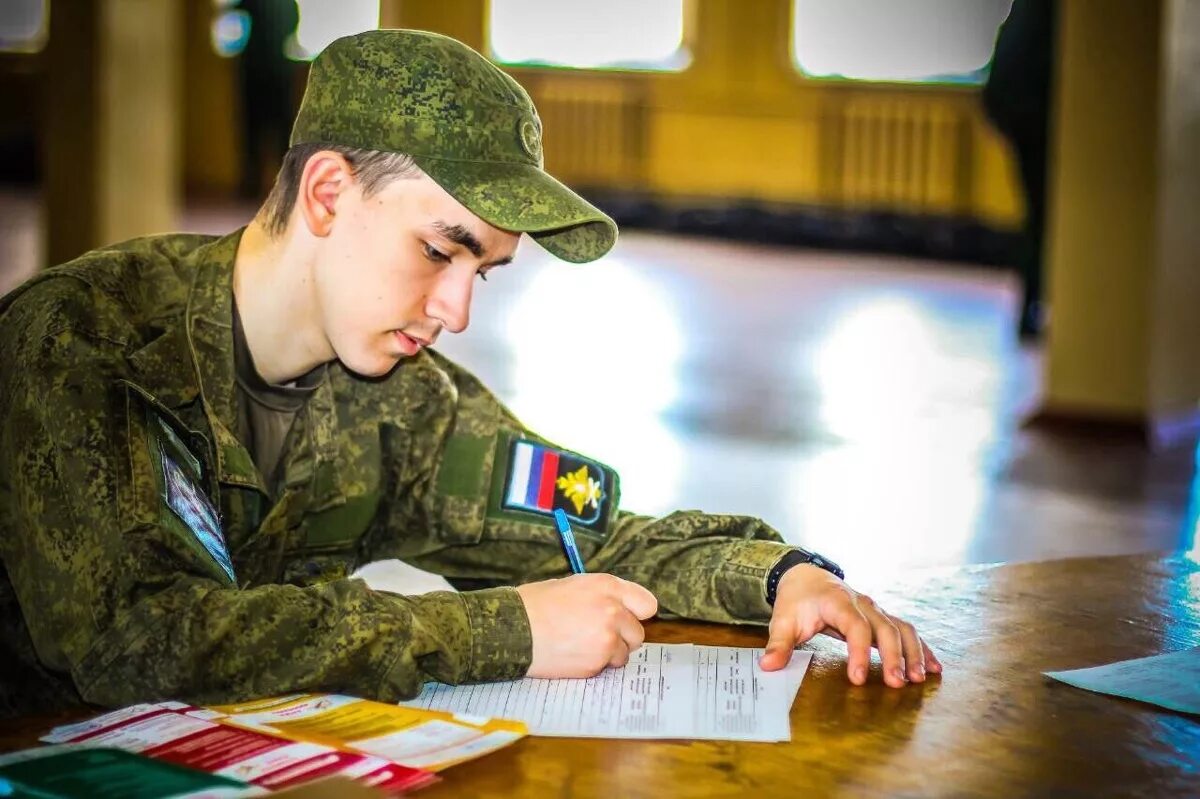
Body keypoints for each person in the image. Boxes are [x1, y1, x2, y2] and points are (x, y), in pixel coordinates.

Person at [0, 29, 941, 718]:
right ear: (328, 192)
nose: (456, 312)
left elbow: (588, 536)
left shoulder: (403, 403)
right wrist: (502, 631)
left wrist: (779, 576)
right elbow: (137, 641)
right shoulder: (85, 343)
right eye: (438, 251)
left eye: (482, 271)